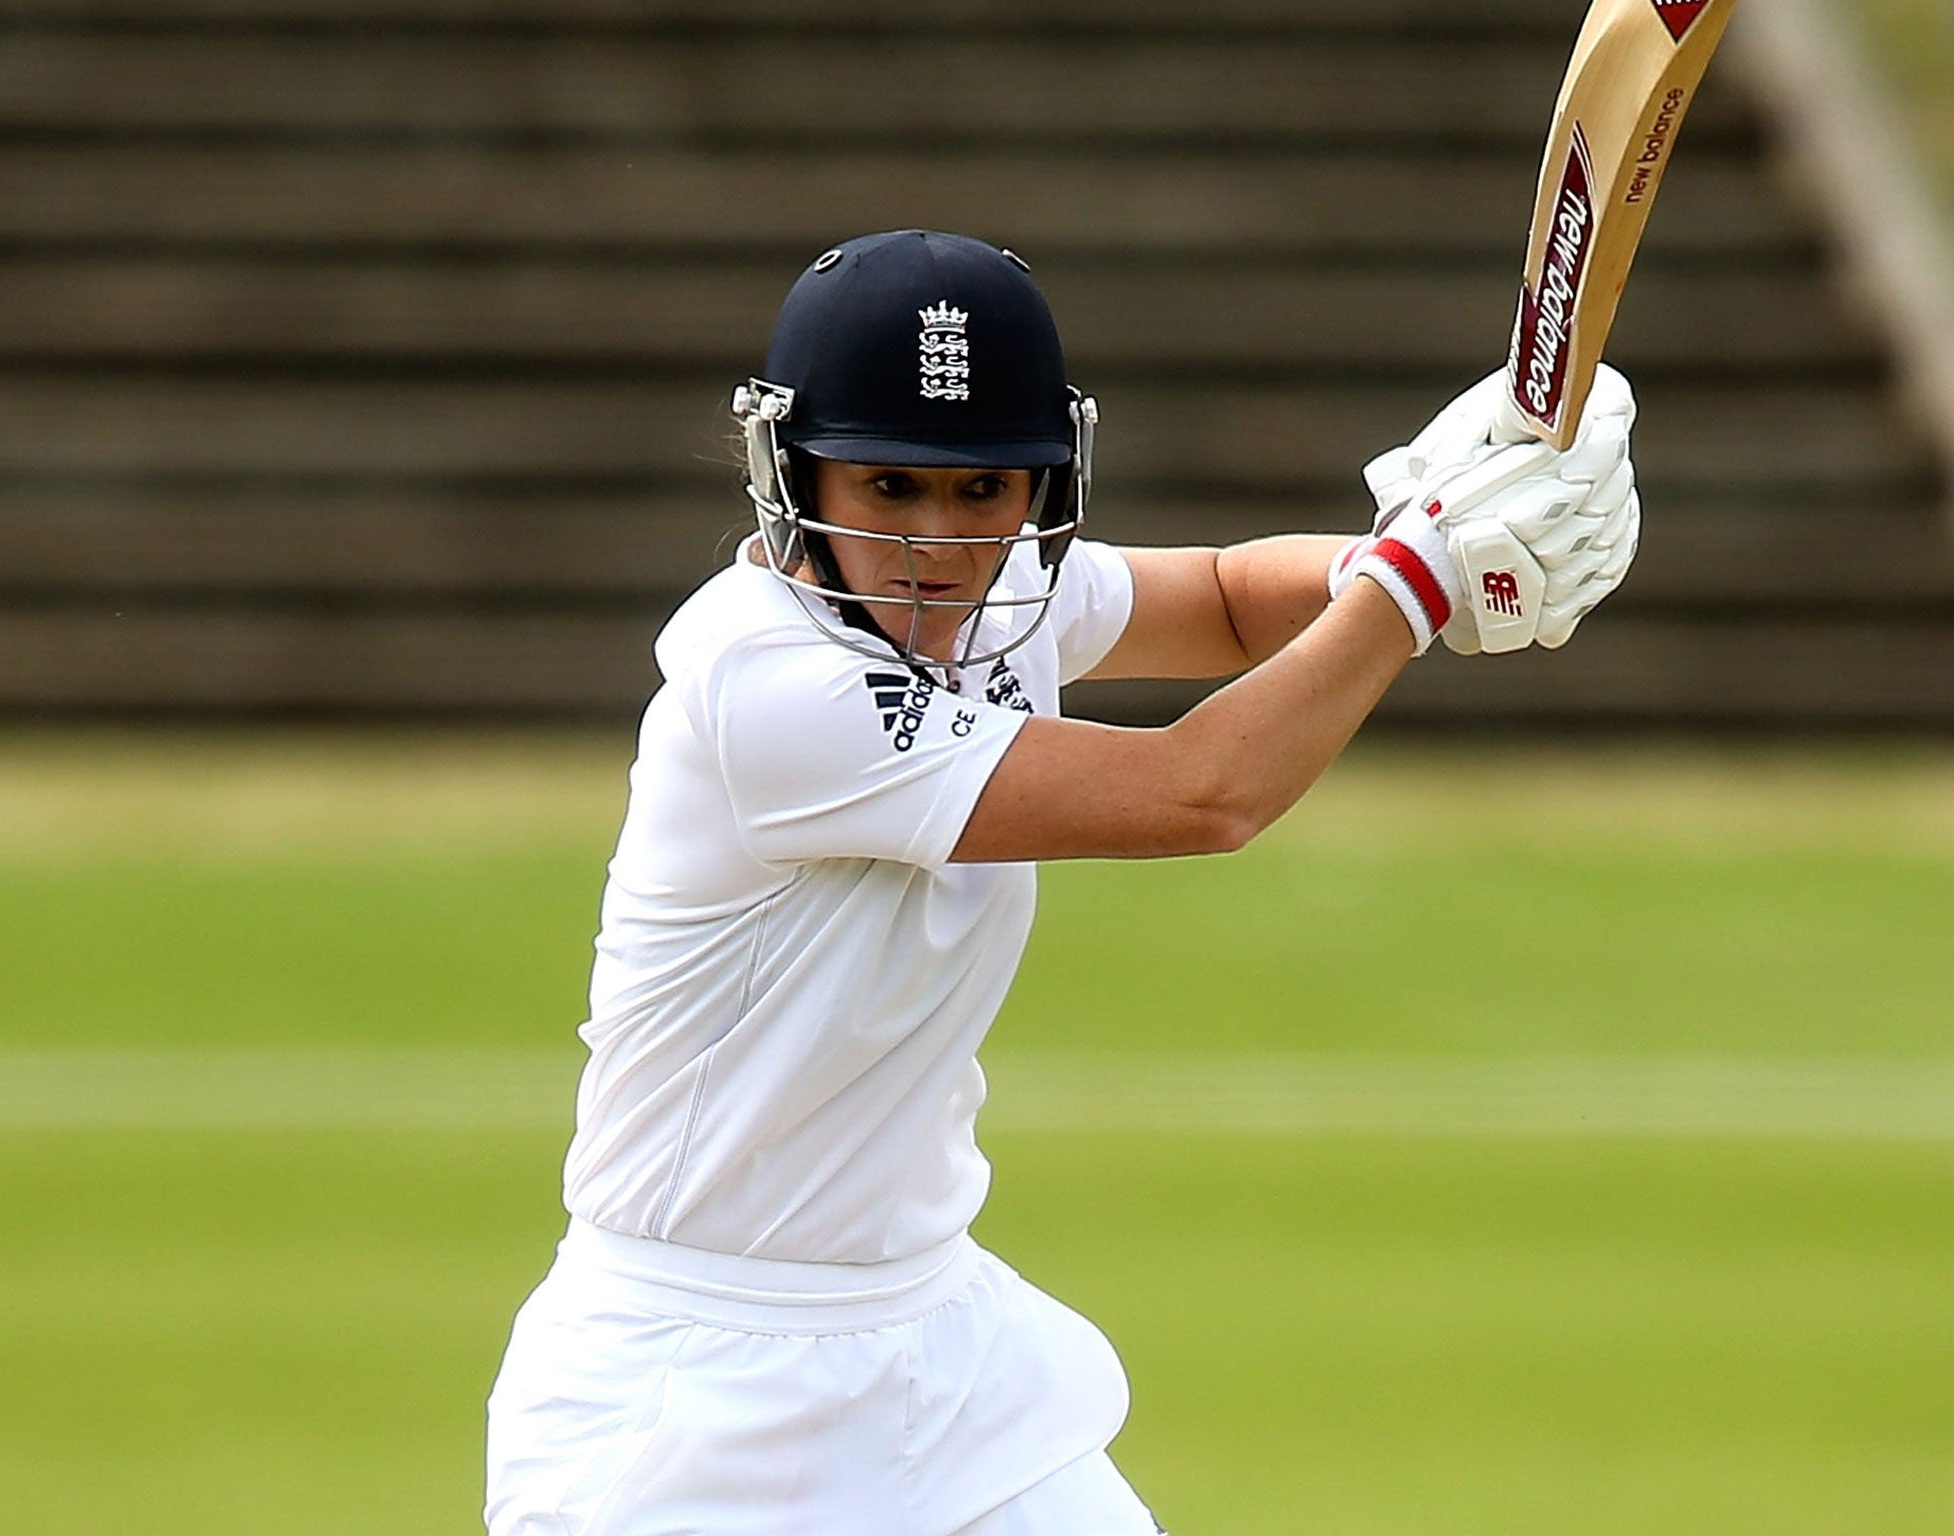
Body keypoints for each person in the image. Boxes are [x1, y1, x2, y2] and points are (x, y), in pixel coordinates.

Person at [484, 229, 1640, 1536]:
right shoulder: (767, 688)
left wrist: (1414, 543)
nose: (937, 542)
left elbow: (1219, 595)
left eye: (983, 492)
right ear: (790, 471)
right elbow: (1202, 793)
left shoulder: (1001, 598)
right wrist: (1417, 581)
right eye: (888, 487)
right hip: (692, 1392)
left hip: (939, 1352)